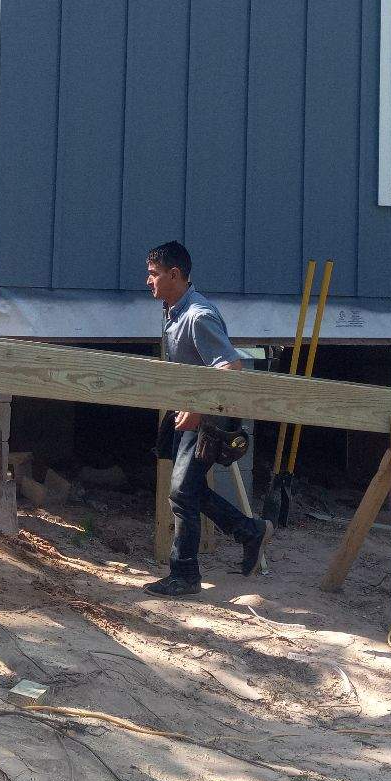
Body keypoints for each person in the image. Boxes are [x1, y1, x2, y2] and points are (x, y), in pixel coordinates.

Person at [143, 241, 274, 597]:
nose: (148, 281)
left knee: (182, 492)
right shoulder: (173, 311)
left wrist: (198, 408)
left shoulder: (198, 316)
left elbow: (230, 368)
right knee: (189, 490)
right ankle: (250, 531)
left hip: (206, 421)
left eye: (153, 274)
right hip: (185, 415)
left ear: (175, 275)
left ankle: (185, 574)